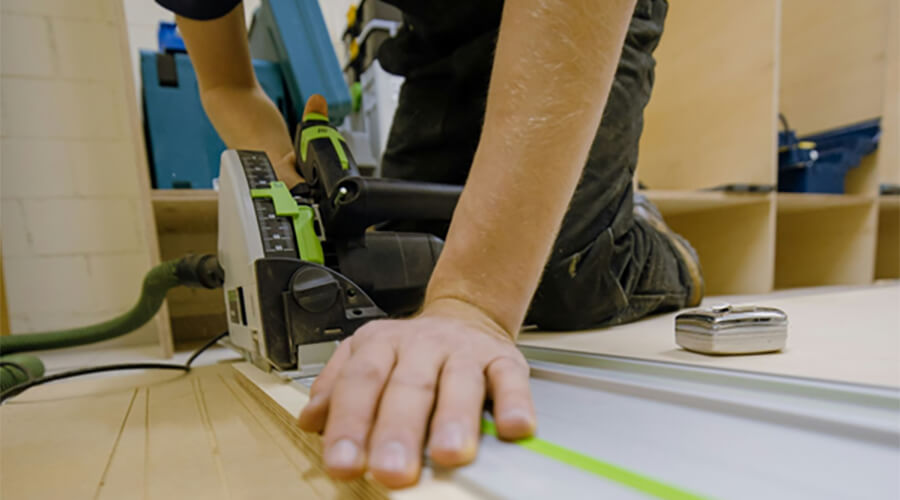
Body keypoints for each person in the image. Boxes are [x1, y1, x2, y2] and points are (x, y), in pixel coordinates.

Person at [158, 0, 702, 489]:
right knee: (411, 264)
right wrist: (284, 175)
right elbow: (227, 85)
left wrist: (473, 303)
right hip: (436, 31)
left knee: (565, 273)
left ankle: (646, 238)